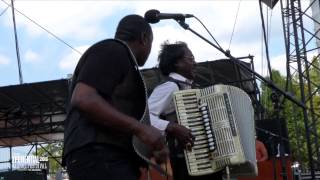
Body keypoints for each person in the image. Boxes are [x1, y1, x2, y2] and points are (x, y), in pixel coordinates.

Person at [62, 14, 168, 180]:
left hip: (103, 158)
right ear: (144, 38)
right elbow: (83, 98)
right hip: (99, 156)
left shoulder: (119, 57)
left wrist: (150, 149)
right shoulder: (114, 50)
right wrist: (141, 129)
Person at [148, 41, 223, 180]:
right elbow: (145, 117)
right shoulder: (170, 86)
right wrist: (171, 126)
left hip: (204, 159)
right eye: (191, 59)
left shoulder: (189, 87)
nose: (195, 63)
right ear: (177, 63)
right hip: (185, 162)